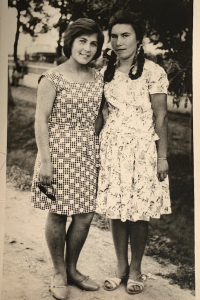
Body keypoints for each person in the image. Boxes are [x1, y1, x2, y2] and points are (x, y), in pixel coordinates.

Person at [96, 10, 171, 295]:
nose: (118, 42)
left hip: (143, 149)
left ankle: (137, 269)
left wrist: (162, 156)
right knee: (116, 210)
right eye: (113, 36)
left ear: (139, 39)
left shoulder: (154, 72)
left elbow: (161, 117)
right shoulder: (105, 72)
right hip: (112, 148)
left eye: (125, 35)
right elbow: (101, 114)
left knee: (139, 213)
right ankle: (120, 268)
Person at [30, 18, 104, 300]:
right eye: (82, 41)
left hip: (86, 152)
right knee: (59, 212)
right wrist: (46, 161)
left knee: (85, 215)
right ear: (70, 41)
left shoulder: (99, 77)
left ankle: (73, 269)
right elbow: (40, 120)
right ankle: (59, 272)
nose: (87, 48)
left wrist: (94, 147)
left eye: (93, 43)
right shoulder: (52, 78)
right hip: (56, 152)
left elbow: (99, 116)